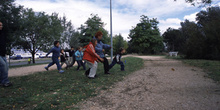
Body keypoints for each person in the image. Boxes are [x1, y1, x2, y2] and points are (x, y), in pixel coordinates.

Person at [0, 22, 12, 87]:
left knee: (6, 67)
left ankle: (2, 81)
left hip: (2, 53)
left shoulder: (3, 33)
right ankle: (5, 81)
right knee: (3, 65)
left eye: (1, 25)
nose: (1, 26)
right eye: (0, 25)